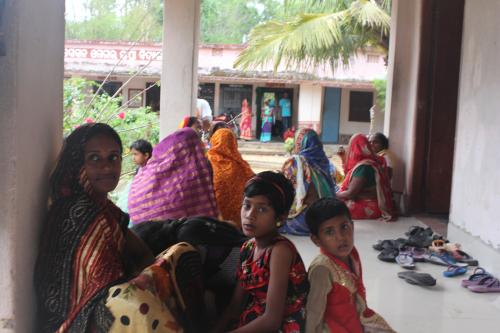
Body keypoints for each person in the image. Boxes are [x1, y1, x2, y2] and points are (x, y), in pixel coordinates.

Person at [34, 123, 182, 332]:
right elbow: (107, 288)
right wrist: (144, 283)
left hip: (106, 306)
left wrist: (150, 277)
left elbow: (142, 253)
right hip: (78, 323)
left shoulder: (104, 209)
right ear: (78, 163)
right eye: (95, 158)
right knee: (137, 302)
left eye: (113, 157)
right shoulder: (78, 211)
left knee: (178, 255)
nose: (107, 167)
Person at [213, 171, 309, 333]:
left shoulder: (280, 252)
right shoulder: (248, 248)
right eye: (247, 205)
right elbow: (235, 307)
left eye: (262, 209)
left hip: (283, 326)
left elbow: (272, 320)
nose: (250, 215)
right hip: (255, 320)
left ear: (281, 217)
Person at [305, 198, 396, 333]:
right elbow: (313, 312)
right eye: (330, 232)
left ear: (352, 227)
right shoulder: (322, 269)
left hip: (357, 320)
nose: (341, 237)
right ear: (316, 240)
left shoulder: (352, 254)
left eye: (344, 227)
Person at [128, 127, 219, 224]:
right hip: (193, 229)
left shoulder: (158, 170)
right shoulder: (197, 170)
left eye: (135, 154)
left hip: (155, 231)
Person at [280, 128, 336, 235]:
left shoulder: (296, 162)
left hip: (310, 217)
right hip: (329, 214)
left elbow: (287, 192)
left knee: (274, 222)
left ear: (299, 144)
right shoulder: (325, 162)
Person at [336, 133, 395, 221]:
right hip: (376, 203)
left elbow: (350, 193)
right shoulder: (375, 160)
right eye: (369, 142)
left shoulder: (364, 166)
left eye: (351, 146)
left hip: (370, 206)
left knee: (333, 207)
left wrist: (331, 194)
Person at [207, 128, 255, 228]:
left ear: (214, 140)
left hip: (213, 218)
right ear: (233, 143)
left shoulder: (207, 159)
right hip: (238, 221)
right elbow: (252, 181)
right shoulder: (240, 164)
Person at [116, 139, 153, 214]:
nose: (133, 158)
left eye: (135, 154)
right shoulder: (138, 169)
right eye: (132, 154)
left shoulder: (152, 171)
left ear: (146, 155)